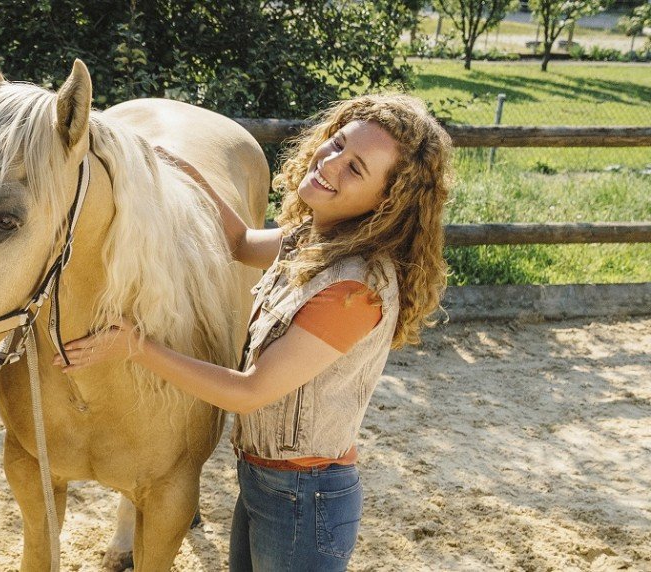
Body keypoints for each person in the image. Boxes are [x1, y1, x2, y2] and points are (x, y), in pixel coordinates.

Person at [55, 94, 452, 571]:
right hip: (267, 480)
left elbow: (249, 392)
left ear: (387, 201)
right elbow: (240, 241)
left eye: (356, 169)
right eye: (337, 144)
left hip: (307, 498)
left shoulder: (354, 287)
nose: (330, 164)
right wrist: (166, 159)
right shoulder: (313, 241)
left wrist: (136, 346)